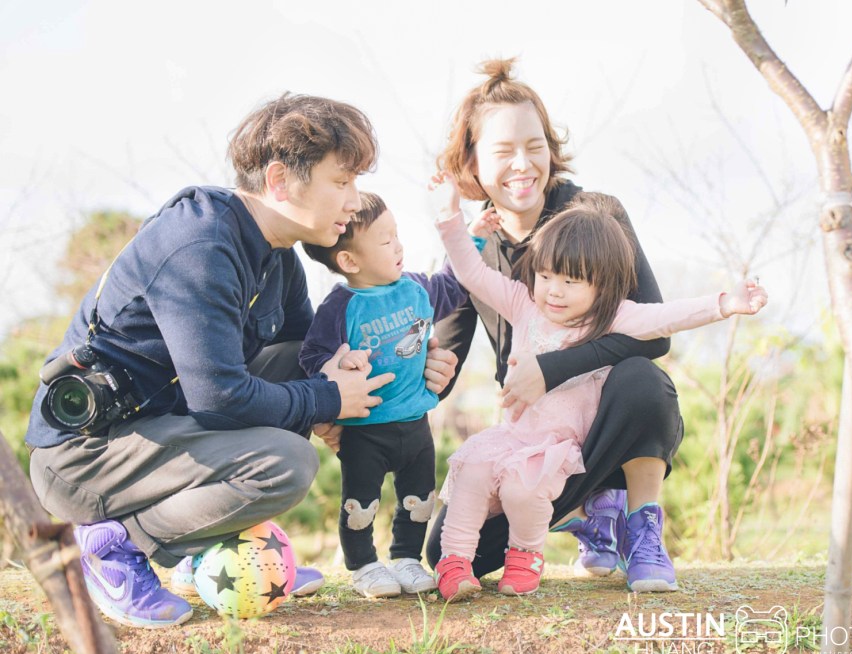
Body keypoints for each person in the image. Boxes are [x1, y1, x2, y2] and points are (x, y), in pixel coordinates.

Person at [23, 94, 458, 628]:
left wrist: (413, 364)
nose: (354, 200)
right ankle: (114, 544)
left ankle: (211, 550)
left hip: (164, 434)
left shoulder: (275, 252)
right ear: (279, 180)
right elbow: (220, 398)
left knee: (304, 369)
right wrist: (326, 399)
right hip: (89, 458)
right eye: (341, 181)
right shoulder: (200, 247)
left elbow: (307, 359)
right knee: (285, 466)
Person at [426, 57, 702, 593]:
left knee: (644, 382)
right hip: (531, 447)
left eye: (535, 146)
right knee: (444, 551)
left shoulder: (595, 215)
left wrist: (551, 369)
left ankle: (636, 524)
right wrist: (357, 407)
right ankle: (585, 509)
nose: (523, 165)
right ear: (472, 161)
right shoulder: (476, 245)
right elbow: (444, 359)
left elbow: (657, 335)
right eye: (503, 152)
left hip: (605, 427)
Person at [429, 178, 767, 599]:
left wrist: (725, 304)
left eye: (572, 281)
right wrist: (449, 218)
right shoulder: (522, 304)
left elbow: (666, 317)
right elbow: (470, 272)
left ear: (601, 287)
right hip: (513, 438)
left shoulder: (611, 319)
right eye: (546, 274)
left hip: (561, 452)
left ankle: (529, 555)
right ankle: (455, 564)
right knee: (472, 475)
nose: (554, 290)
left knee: (523, 490)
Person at [298, 192, 467, 599]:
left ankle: (407, 558)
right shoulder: (341, 306)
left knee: (419, 498)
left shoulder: (415, 289)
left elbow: (454, 285)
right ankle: (363, 565)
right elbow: (311, 355)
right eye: (386, 239)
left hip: (416, 423)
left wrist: (471, 237)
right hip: (365, 429)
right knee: (361, 502)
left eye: (397, 235)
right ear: (350, 262)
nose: (399, 246)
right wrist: (336, 363)